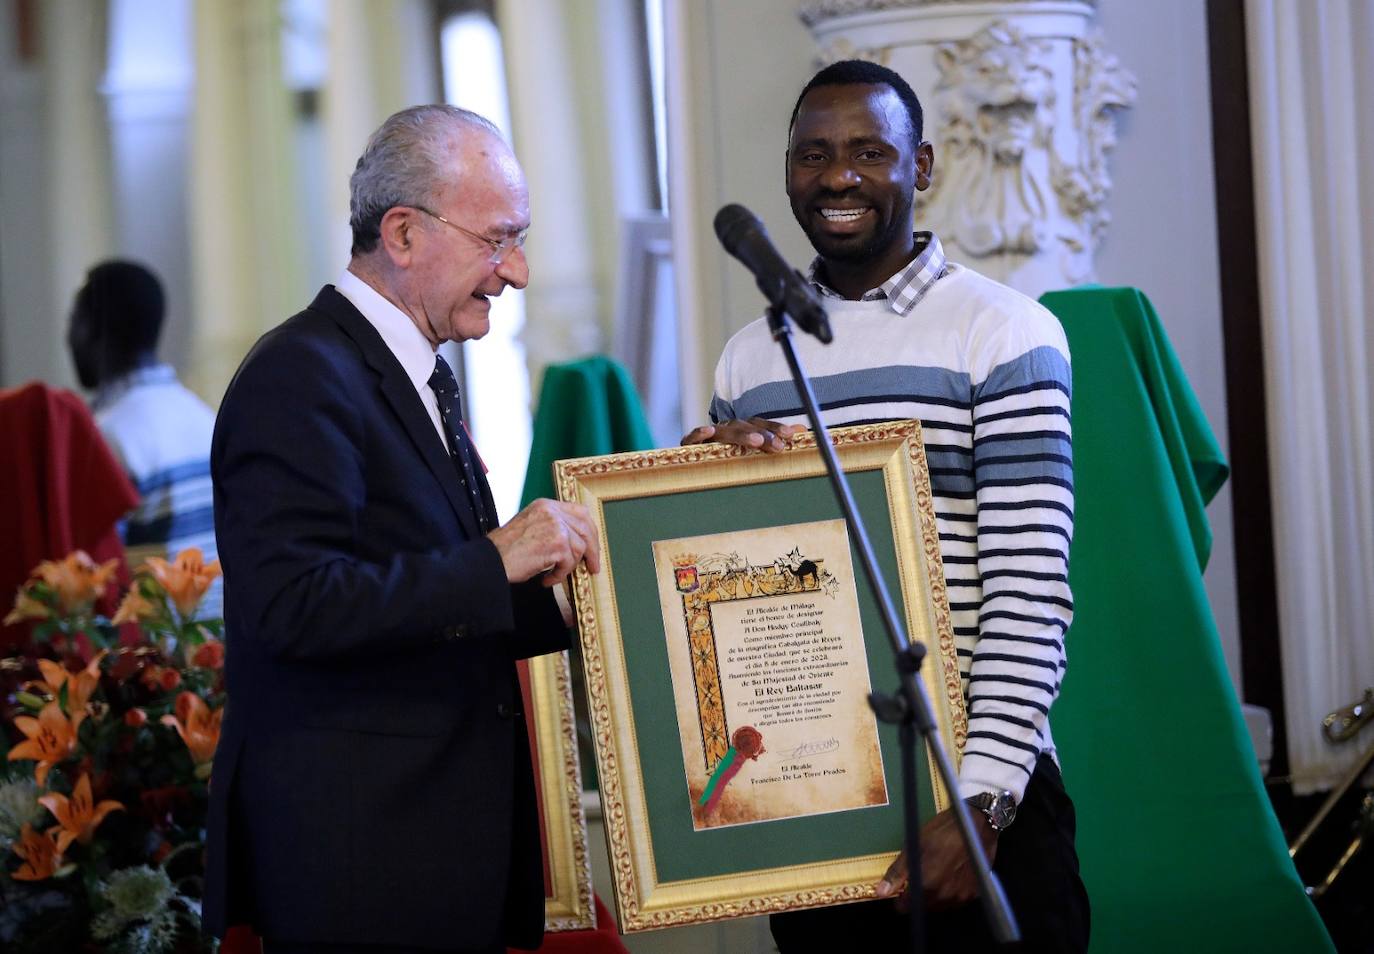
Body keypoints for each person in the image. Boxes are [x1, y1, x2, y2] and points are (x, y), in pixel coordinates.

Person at [683, 60, 1089, 952]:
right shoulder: (750, 361)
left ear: (924, 166)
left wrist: (981, 801)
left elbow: (1031, 588)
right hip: (814, 800)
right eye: (813, 155)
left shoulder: (1003, 330)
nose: (837, 177)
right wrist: (685, 493)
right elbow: (732, 591)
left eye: (870, 151)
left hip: (979, 802)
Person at [203, 105, 600, 954]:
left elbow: (426, 589)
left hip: (434, 849)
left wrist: (578, 599)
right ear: (404, 233)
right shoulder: (298, 375)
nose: (519, 271)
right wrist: (496, 560)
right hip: (361, 862)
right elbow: (294, 606)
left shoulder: (409, 368)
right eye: (499, 239)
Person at [67, 260, 221, 616]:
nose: (69, 339)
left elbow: (93, 589)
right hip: (212, 660)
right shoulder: (204, 417)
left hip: (150, 664)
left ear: (93, 329)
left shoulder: (103, 440)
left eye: (72, 322)